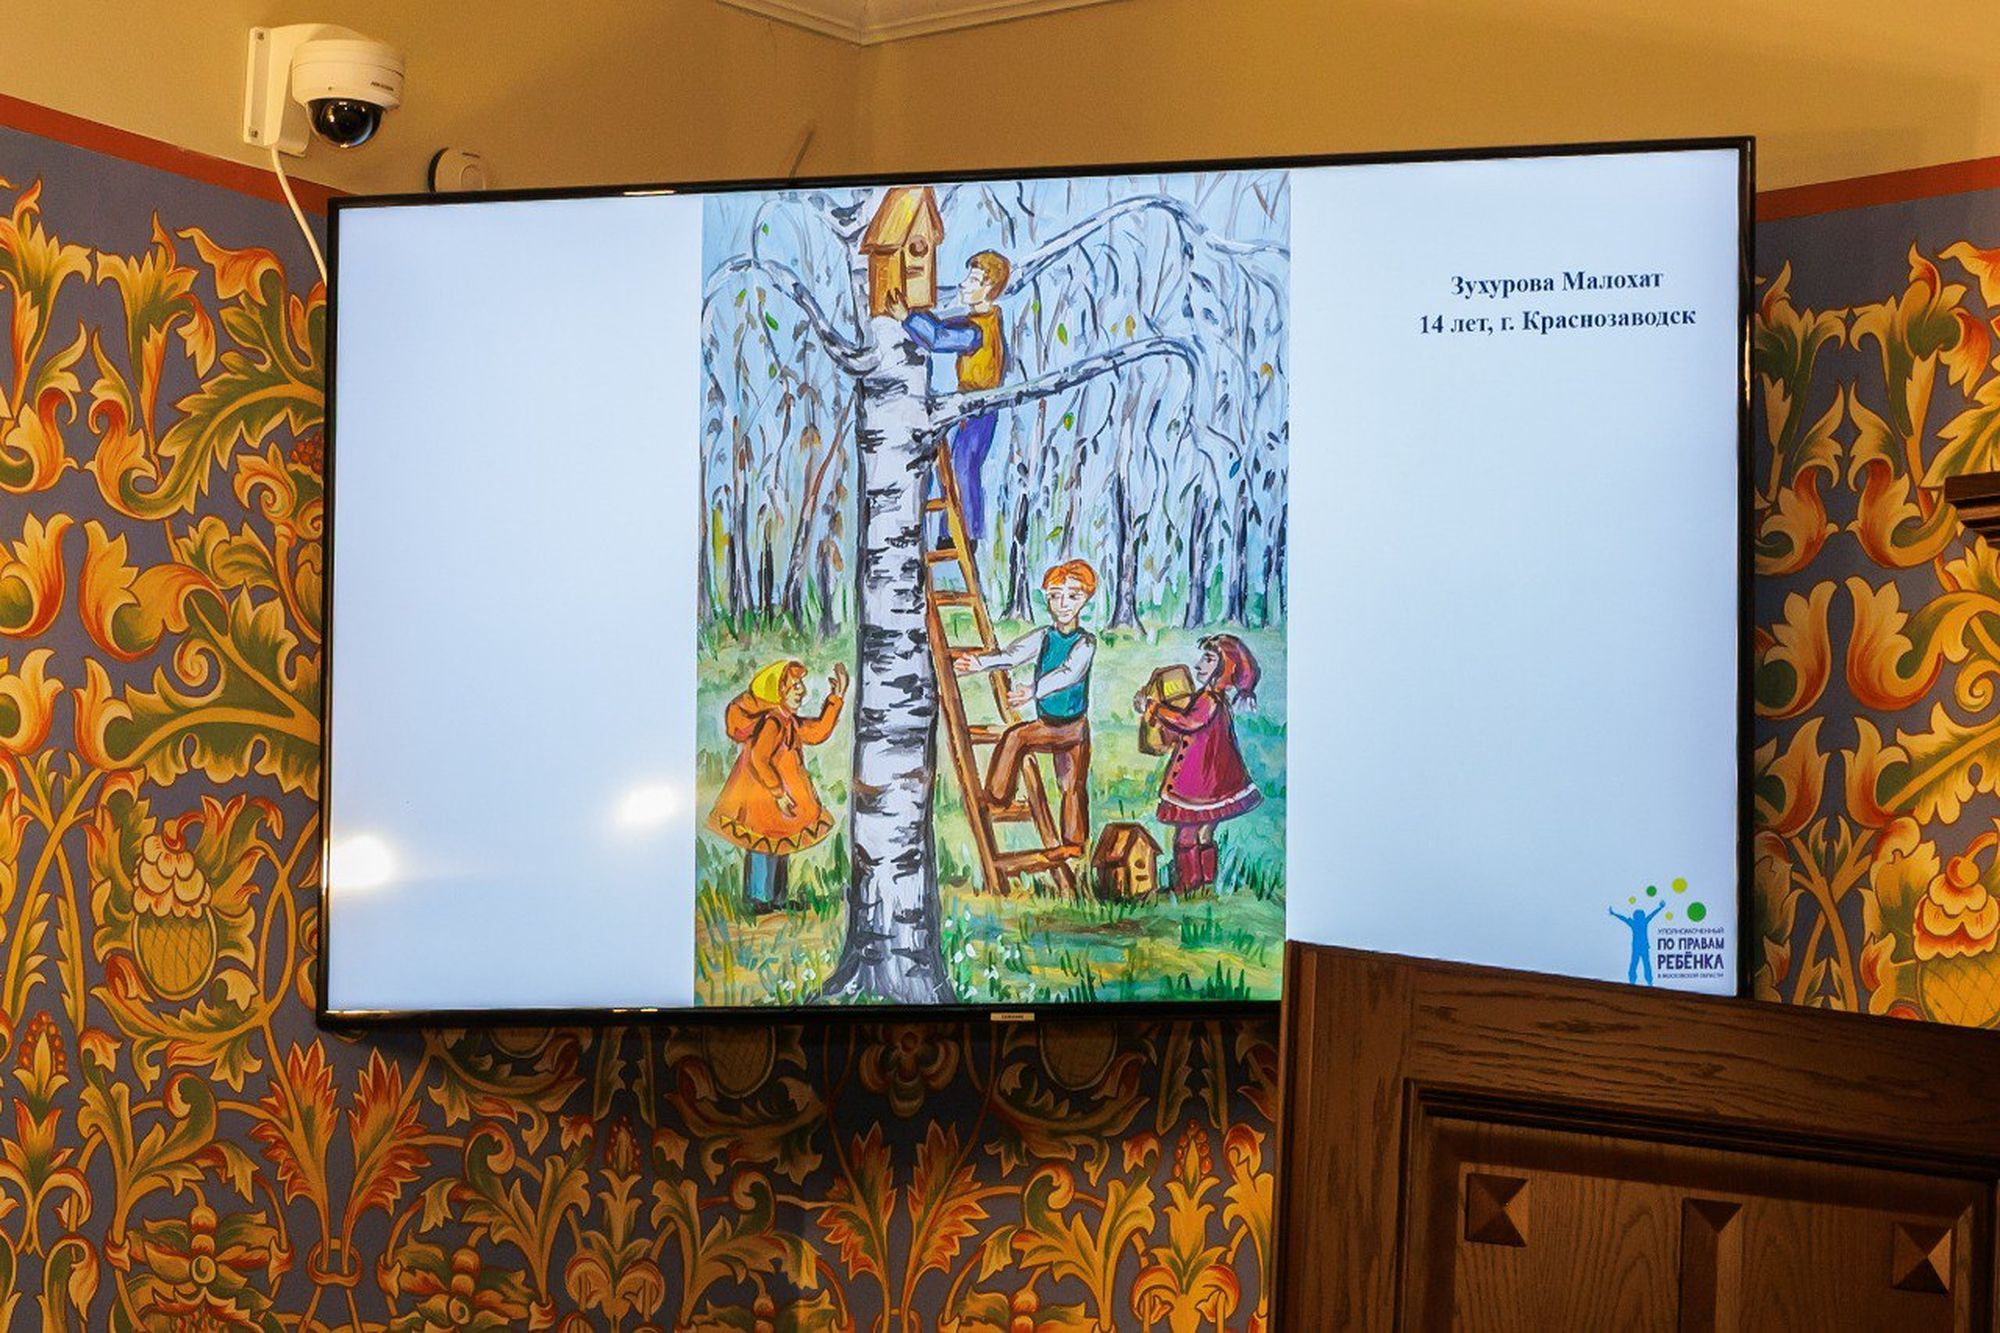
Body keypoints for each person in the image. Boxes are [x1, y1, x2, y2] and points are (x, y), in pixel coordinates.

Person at [954, 559, 1096, 856]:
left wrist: (1032, 692)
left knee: (1065, 779)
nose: (1063, 604)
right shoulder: (1044, 636)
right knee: (1067, 781)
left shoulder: (1085, 642)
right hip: (1050, 722)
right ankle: (1003, 800)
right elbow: (1012, 655)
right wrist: (979, 663)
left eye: (1072, 596)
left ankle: (998, 797)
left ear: (1084, 599)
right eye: (1055, 596)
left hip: (1073, 727)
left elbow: (1068, 674)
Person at [887, 250, 1010, 550]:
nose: (964, 285)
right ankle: (949, 531)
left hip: (980, 407)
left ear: (989, 289)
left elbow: (939, 338)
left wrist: (908, 318)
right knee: (955, 465)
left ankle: (965, 533)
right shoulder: (980, 320)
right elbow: (942, 328)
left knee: (964, 465)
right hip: (970, 405)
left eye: (974, 280)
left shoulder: (977, 330)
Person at [707, 659, 848, 912]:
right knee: (762, 845)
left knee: (780, 843)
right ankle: (759, 897)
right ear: (778, 691)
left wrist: (836, 699)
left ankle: (778, 898)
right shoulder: (772, 722)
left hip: (778, 800)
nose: (801, 690)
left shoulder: (788, 720)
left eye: (800, 684)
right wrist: (778, 792)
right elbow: (758, 759)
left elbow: (816, 732)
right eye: (795, 685)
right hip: (764, 798)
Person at [1136, 634, 1263, 895]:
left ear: (1224, 667)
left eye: (1208, 659)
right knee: (1205, 832)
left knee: (1187, 834)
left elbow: (1188, 723)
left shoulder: (1209, 699)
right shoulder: (1215, 699)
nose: (1199, 665)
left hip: (1198, 785)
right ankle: (1205, 884)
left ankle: (1188, 885)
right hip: (1212, 782)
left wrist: (1155, 708)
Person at [1609, 902, 1665, 985]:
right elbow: (1652, 914)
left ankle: (1640, 980)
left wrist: (1614, 914)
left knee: (1637, 964)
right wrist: (1660, 907)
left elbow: (1623, 918)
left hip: (1639, 947)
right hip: (1641, 947)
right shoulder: (1643, 922)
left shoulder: (1635, 923)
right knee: (1644, 964)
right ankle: (1645, 981)